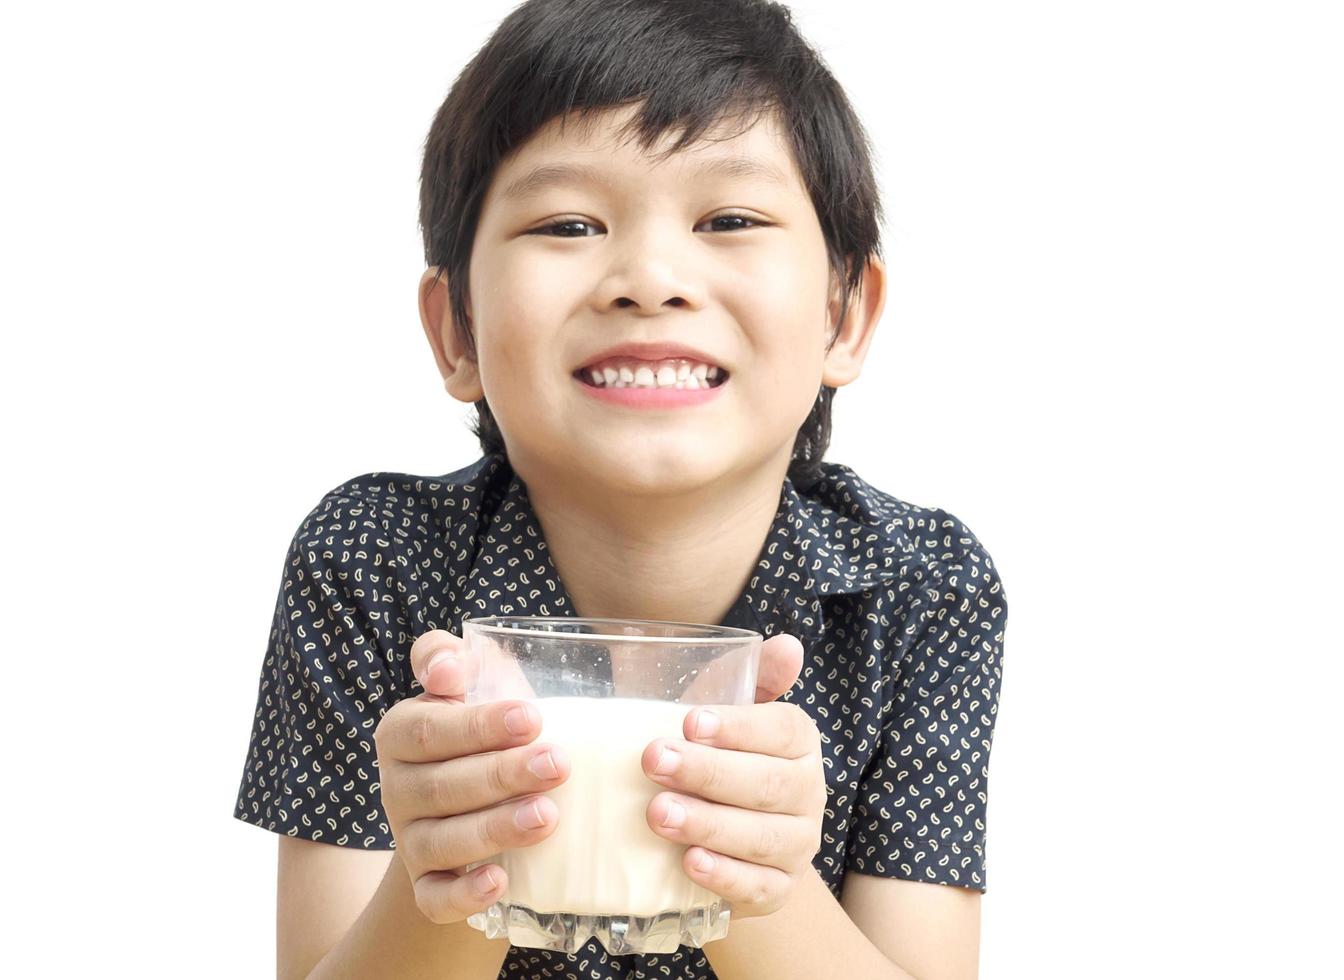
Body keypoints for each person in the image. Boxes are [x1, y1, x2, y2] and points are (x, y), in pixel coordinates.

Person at [232, 1, 1007, 977]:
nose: (649, 276)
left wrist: (759, 871)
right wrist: (448, 864)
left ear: (844, 315)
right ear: (455, 330)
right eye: (567, 222)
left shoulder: (919, 583)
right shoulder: (375, 559)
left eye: (728, 218)